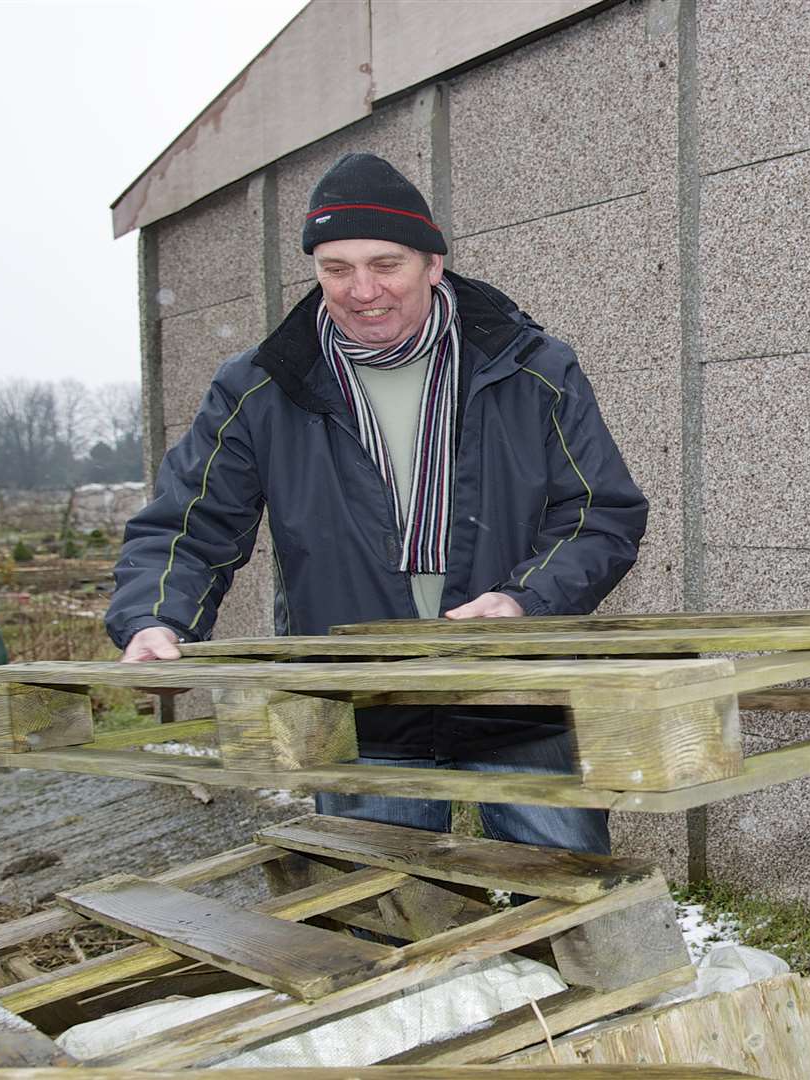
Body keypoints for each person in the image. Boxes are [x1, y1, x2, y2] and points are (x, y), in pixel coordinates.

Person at [107, 152, 646, 855]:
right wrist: (156, 615)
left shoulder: (532, 368)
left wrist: (524, 602)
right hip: (359, 703)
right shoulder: (263, 386)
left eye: (385, 264)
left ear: (433, 265)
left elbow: (598, 513)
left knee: (569, 892)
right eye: (337, 269)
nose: (363, 290)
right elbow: (191, 518)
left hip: (518, 692)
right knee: (376, 910)